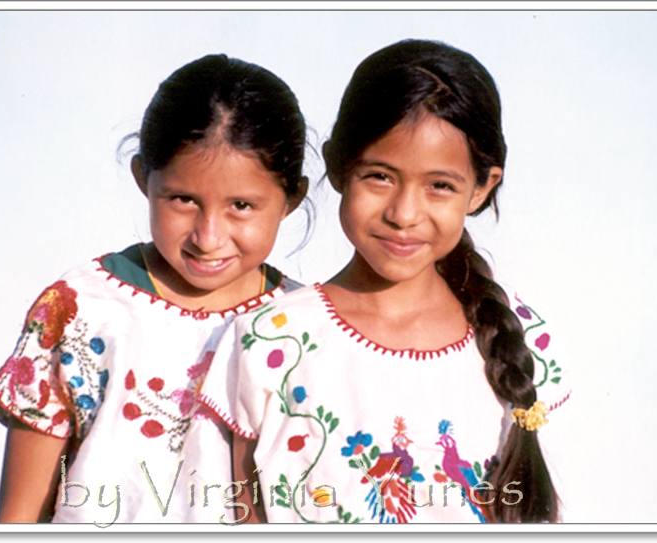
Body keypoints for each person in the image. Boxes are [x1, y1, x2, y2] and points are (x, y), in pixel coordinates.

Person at [195, 39, 569, 524]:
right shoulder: (270, 339)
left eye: (440, 186)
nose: (404, 214)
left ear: (481, 188)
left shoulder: (523, 337)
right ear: (338, 167)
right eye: (380, 176)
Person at [0, 53, 308, 525]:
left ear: (291, 199)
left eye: (241, 205)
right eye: (183, 199)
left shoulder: (304, 325)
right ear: (143, 178)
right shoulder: (79, 309)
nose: (208, 237)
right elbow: (18, 517)